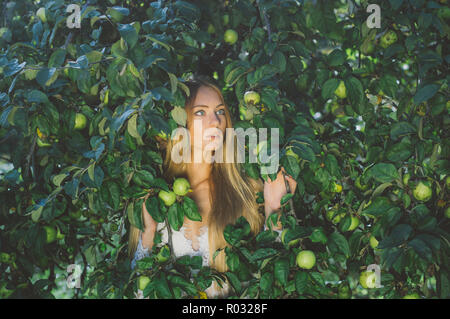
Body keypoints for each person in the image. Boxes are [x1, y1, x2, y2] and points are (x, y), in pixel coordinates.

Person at [128, 76, 297, 298]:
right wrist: (148, 233)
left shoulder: (247, 190)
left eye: (220, 111)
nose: (215, 121)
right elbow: (140, 292)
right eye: (200, 112)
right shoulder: (154, 196)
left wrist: (275, 210)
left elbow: (273, 282)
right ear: (179, 123)